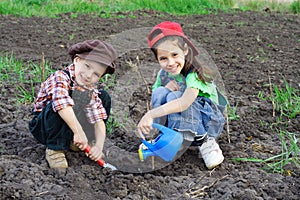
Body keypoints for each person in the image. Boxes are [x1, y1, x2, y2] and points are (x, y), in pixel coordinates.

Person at [137, 21, 227, 169]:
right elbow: (156, 97)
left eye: (174, 55)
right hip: (182, 120)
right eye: (163, 58)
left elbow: (184, 102)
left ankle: (205, 143)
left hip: (208, 121)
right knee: (161, 92)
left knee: (176, 97)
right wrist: (166, 88)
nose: (170, 62)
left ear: (185, 50)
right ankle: (167, 139)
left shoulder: (194, 73)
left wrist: (150, 114)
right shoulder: (164, 74)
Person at [29, 40, 117, 168]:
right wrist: (78, 132)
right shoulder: (60, 77)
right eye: (87, 66)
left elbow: (98, 119)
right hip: (45, 127)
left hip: (71, 129)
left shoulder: (89, 89)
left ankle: (75, 142)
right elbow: (62, 105)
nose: (88, 75)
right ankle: (55, 149)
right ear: (77, 60)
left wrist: (98, 145)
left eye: (96, 74)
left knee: (103, 97)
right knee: (64, 102)